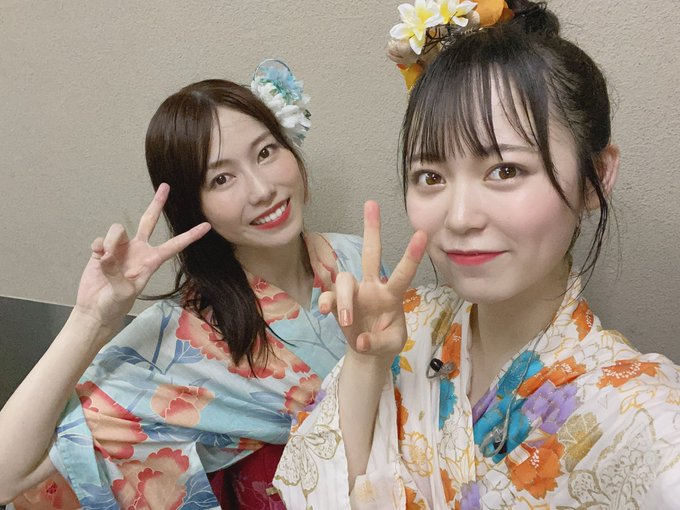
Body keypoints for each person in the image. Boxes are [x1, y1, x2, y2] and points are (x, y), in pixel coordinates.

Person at [273, 1, 680, 508]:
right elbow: (317, 489)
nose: (460, 217)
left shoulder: (638, 412)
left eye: (505, 170)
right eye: (431, 176)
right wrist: (365, 361)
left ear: (596, 175)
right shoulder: (410, 324)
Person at [0, 62, 386, 509]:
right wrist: (91, 319)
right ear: (194, 206)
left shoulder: (355, 257)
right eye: (221, 178)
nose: (261, 189)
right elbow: (7, 475)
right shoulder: (183, 338)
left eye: (265, 152)